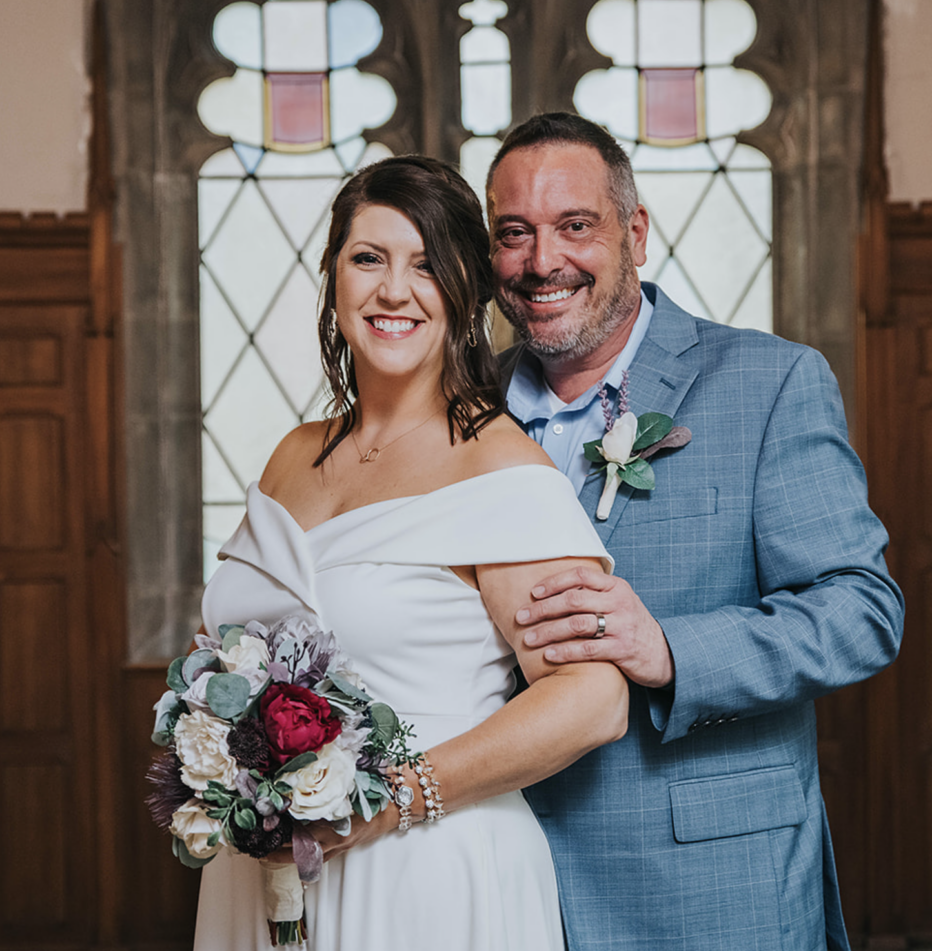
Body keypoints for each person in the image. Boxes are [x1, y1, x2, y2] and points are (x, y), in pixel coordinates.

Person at [489, 112, 905, 951]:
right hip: (501, 879)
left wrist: (672, 650)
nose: (543, 262)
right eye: (513, 235)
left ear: (635, 233)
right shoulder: (462, 414)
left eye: (576, 226)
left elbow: (863, 611)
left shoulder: (771, 380)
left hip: (710, 894)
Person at [192, 154, 629, 951]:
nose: (394, 289)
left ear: (464, 292)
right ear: (334, 278)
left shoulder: (496, 468)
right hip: (262, 870)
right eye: (369, 258)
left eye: (428, 265)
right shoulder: (293, 456)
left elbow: (593, 698)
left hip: (426, 871)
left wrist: (389, 797)